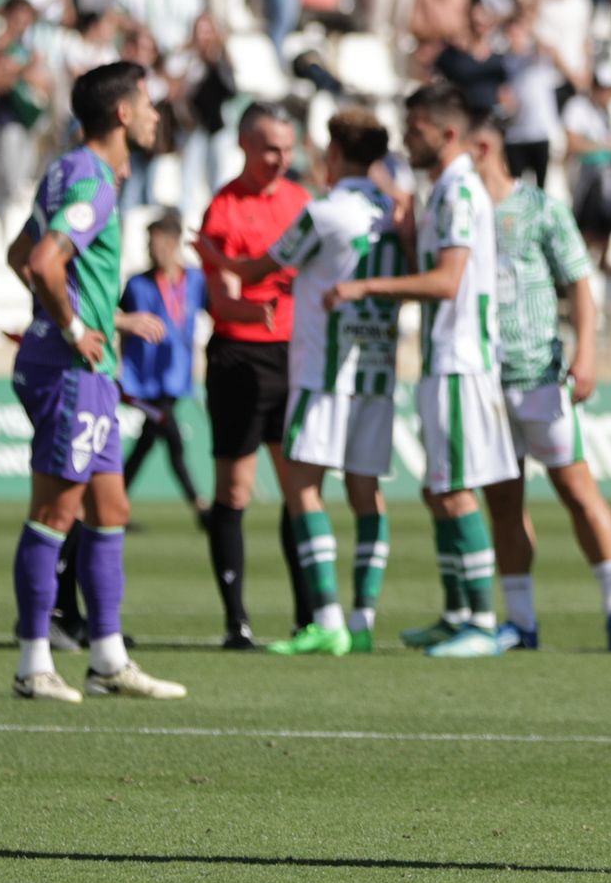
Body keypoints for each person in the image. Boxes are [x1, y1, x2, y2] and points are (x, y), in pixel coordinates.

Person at [4, 60, 185, 702]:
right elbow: (43, 260)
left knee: (112, 507)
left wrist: (109, 315)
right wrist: (75, 327)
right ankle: (33, 664)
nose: (158, 115)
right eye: (149, 103)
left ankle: (108, 658)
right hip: (74, 369)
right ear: (124, 114)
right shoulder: (97, 181)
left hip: (90, 368)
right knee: (56, 510)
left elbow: (18, 254)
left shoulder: (65, 170)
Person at [325, 84, 519, 659]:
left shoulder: (460, 191)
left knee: (455, 490)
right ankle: (458, 612)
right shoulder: (442, 191)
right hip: (443, 355)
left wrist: (365, 286)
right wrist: (409, 241)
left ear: (448, 132)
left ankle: (483, 622)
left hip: (462, 358)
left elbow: (447, 282)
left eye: (415, 130)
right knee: (438, 489)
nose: (407, 140)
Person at [202, 108, 401, 658]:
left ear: (331, 155)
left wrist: (210, 253)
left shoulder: (322, 211)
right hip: (374, 370)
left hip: (318, 368)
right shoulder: (394, 210)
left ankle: (328, 620)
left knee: (303, 488)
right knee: (364, 493)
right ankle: (359, 619)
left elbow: (254, 272)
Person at [463, 115, 611, 654]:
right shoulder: (457, 209)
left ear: (484, 145)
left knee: (576, 491)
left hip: (539, 374)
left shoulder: (539, 208)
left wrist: (586, 353)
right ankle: (521, 621)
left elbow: (579, 282)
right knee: (503, 501)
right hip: (482, 381)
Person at [199, 101, 313, 650]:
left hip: (294, 355)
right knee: (235, 489)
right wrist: (255, 308)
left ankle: (308, 616)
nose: (281, 159)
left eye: (288, 149)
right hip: (239, 357)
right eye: (271, 148)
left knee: (299, 489)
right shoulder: (223, 209)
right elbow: (223, 298)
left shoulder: (301, 201)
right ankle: (236, 620)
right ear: (245, 144)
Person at [119, 209, 209, 521]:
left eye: (157, 243)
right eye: (149, 244)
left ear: (173, 244)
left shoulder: (195, 280)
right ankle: (199, 505)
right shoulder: (136, 285)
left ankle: (114, 505)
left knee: (148, 443)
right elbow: (117, 323)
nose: (152, 250)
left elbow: (216, 311)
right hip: (144, 380)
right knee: (168, 437)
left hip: (175, 376)